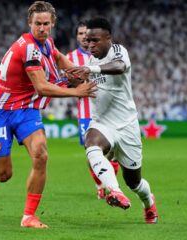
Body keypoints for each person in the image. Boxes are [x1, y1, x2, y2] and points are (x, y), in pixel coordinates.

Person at [0, 1, 97, 229]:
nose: (41, 28)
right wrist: (76, 90)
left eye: (46, 23)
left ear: (52, 24)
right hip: (1, 112)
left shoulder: (46, 42)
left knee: (41, 154)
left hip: (26, 110)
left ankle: (28, 216)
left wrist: (79, 73)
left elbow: (59, 58)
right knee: (3, 175)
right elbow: (41, 87)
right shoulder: (28, 47)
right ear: (29, 23)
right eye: (37, 23)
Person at [66, 17, 158, 224]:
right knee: (91, 143)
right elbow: (79, 83)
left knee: (134, 182)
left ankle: (149, 203)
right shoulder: (89, 60)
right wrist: (70, 82)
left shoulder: (118, 51)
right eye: (88, 41)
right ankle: (113, 191)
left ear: (109, 38)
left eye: (95, 40)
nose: (90, 45)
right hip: (102, 122)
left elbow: (119, 67)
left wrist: (92, 70)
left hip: (126, 125)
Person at [67, 21, 120, 200]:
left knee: (112, 155)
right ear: (77, 37)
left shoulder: (105, 55)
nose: (83, 37)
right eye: (80, 34)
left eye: (85, 34)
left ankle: (111, 185)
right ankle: (100, 185)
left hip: (110, 112)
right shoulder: (71, 58)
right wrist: (75, 84)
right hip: (86, 113)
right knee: (92, 153)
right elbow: (66, 82)